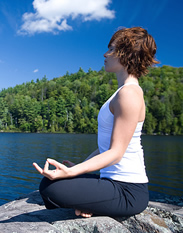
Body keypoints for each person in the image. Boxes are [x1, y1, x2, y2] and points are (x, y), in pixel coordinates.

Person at [33, 26, 159, 218]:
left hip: (128, 191)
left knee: (50, 188)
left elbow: (116, 154)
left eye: (111, 49)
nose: (105, 53)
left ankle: (94, 204)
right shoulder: (122, 93)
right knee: (51, 182)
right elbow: (105, 148)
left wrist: (72, 172)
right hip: (112, 182)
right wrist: (77, 168)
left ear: (127, 54)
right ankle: (92, 203)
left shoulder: (130, 94)